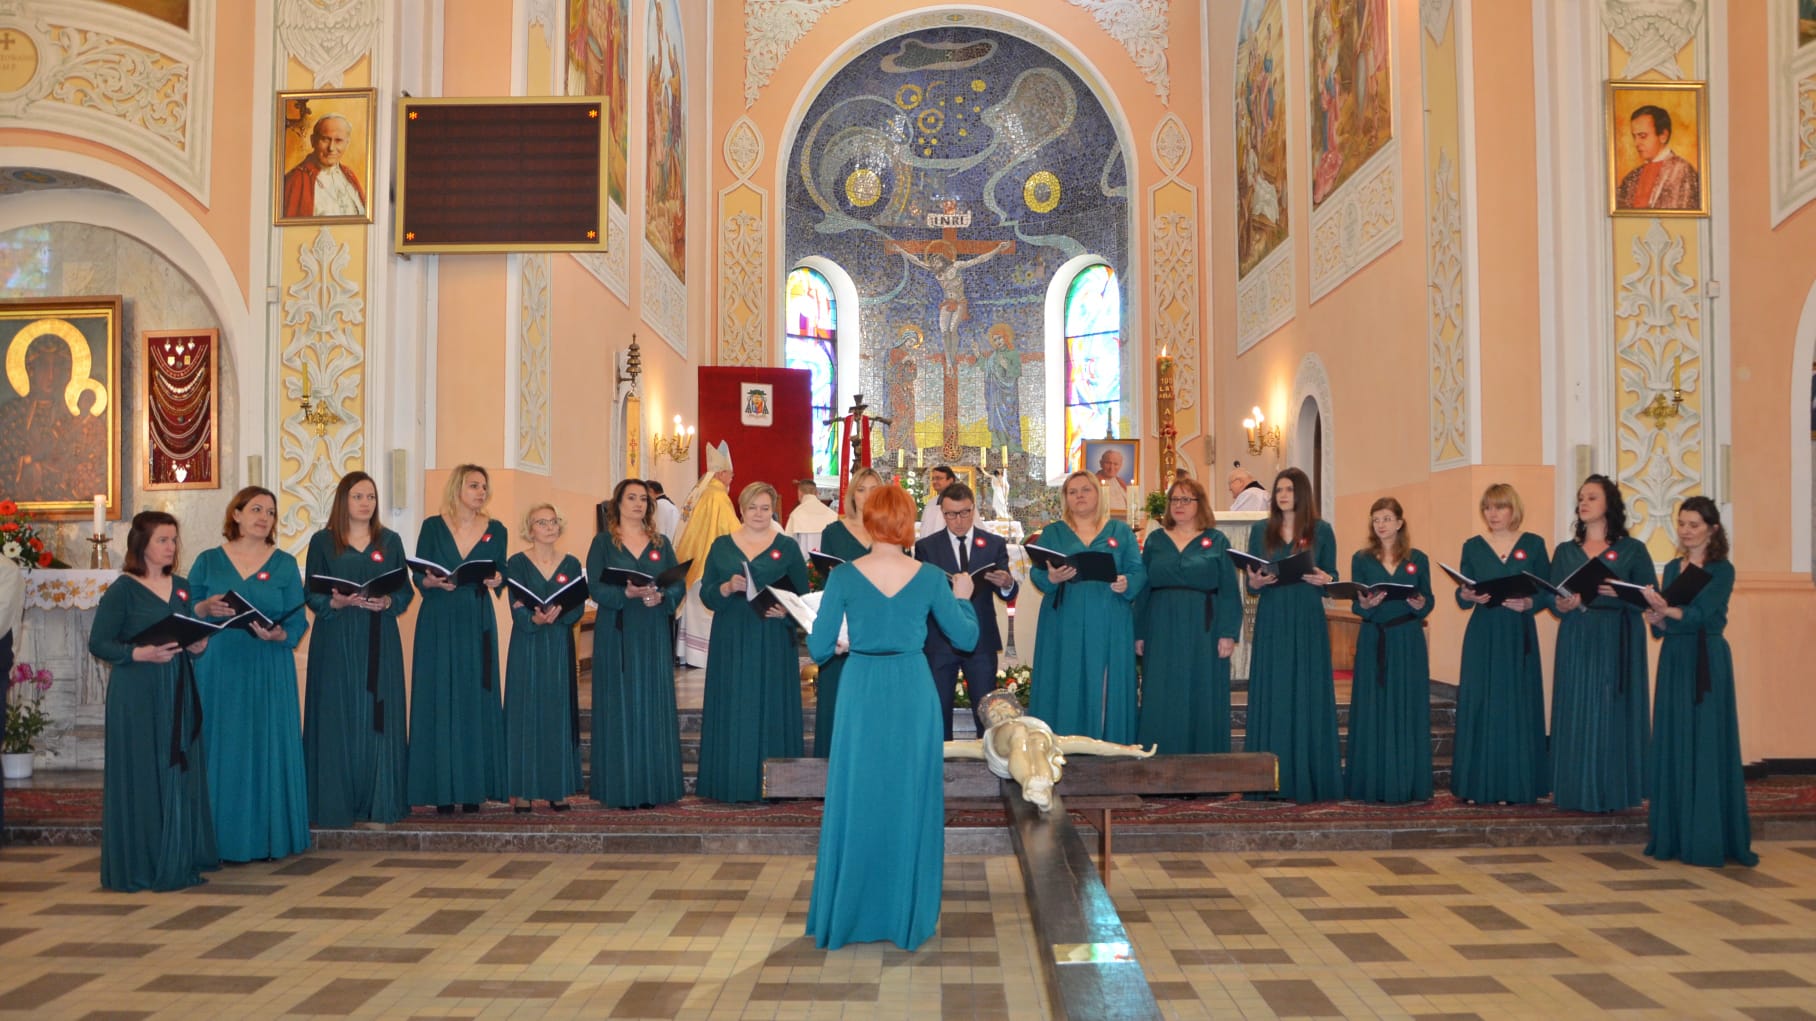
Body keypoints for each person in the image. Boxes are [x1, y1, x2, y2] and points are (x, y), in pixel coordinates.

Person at [805, 484, 978, 951]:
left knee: (858, 794)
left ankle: (851, 912)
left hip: (861, 688)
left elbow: (818, 648)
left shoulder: (843, 577)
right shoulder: (930, 577)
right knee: (910, 795)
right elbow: (965, 637)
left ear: (868, 521)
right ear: (907, 524)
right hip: (911, 688)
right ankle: (905, 914)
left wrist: (843, 640)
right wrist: (963, 596)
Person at [88, 511, 218, 891]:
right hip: (137, 692)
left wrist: (197, 645)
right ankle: (141, 864)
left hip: (177, 688)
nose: (171, 547)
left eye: (174, 540)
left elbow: (186, 635)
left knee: (176, 770)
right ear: (141, 544)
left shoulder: (182, 586)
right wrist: (137, 653)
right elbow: (99, 642)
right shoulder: (124, 590)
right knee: (143, 774)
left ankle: (176, 857)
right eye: (163, 539)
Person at [188, 487, 311, 861]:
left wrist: (280, 635)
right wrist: (205, 607)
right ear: (236, 514)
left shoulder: (285, 564)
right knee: (222, 747)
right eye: (256, 509)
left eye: (271, 512)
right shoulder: (208, 560)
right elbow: (186, 609)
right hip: (219, 666)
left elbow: (298, 621)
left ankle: (268, 838)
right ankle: (216, 840)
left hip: (268, 665)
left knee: (265, 748)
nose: (264, 517)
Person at [1642, 497, 1756, 868]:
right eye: (1682, 523)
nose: (1686, 531)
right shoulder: (1672, 568)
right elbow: (1668, 625)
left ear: (1713, 528)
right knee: (1673, 740)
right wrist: (1657, 619)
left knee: (1706, 742)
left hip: (1706, 658)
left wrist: (1667, 610)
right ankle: (1673, 836)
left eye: (1694, 524)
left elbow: (1705, 615)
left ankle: (1707, 837)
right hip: (1675, 658)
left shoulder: (1722, 570)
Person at [304, 471, 412, 827]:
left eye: (371, 497)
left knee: (378, 715)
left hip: (379, 635)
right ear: (343, 501)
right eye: (358, 496)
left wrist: (388, 602)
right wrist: (333, 603)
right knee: (337, 714)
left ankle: (380, 801)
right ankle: (335, 804)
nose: (366, 503)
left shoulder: (390, 541)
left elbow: (405, 591)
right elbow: (311, 591)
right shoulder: (323, 541)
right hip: (336, 636)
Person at [696, 482, 810, 802]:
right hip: (731, 636)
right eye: (752, 507)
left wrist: (785, 611)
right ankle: (730, 782)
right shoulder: (721, 546)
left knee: (772, 704)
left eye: (765, 508)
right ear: (741, 509)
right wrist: (725, 587)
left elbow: (803, 597)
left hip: (772, 635)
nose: (759, 514)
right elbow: (706, 593)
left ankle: (778, 785)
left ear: (773, 510)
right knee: (733, 704)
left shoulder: (786, 547)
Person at [1549, 475, 1656, 813]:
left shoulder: (1632, 550)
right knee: (1578, 709)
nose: (1583, 503)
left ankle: (1615, 790)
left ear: (1609, 503)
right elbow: (1552, 596)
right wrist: (1561, 604)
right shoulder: (1565, 551)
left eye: (1592, 497)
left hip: (1617, 635)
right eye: (1581, 498)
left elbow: (1651, 598)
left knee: (1611, 712)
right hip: (1577, 634)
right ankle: (1575, 790)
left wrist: (1621, 593)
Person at [407, 464, 508, 813]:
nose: (481, 492)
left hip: (476, 617)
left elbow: (501, 570)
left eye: (484, 486)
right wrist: (429, 582)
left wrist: (497, 580)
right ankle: (440, 789)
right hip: (438, 615)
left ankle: (472, 789)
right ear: (457, 488)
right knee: (438, 694)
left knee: (474, 695)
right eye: (474, 485)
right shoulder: (432, 527)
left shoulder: (496, 530)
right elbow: (419, 574)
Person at [1243, 467, 1341, 803]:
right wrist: (1255, 581)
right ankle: (1265, 778)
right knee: (1275, 688)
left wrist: (1325, 579)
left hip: (1306, 615)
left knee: (1306, 688)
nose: (1283, 495)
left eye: (1289, 489)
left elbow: (1333, 576)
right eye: (1279, 490)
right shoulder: (1261, 530)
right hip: (1273, 614)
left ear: (1302, 493)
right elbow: (1251, 581)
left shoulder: (1321, 530)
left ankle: (1309, 777)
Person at [587, 480, 686, 809]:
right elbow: (595, 587)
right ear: (617, 503)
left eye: (643, 499)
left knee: (652, 700)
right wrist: (624, 593)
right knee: (620, 702)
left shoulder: (661, 542)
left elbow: (677, 584)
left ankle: (654, 786)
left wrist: (663, 596)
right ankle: (622, 787)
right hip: (617, 630)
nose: (638, 504)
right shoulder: (603, 543)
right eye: (631, 498)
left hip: (652, 628)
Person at [1028, 470, 1146, 742]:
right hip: (1064, 618)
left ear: (1098, 495)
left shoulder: (1120, 531)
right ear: (1065, 498)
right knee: (1066, 677)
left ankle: (1106, 743)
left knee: (1104, 680)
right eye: (1072, 492)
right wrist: (1052, 577)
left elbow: (1138, 570)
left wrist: (1127, 582)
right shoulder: (1053, 533)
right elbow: (1037, 572)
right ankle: (1061, 743)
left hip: (1109, 616)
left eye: (1085, 490)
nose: (1079, 496)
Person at [1452, 483, 1551, 805]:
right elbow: (1462, 593)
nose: (1492, 514)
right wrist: (1466, 595)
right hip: (1483, 633)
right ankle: (1476, 785)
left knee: (1515, 704)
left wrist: (1530, 604)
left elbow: (1548, 591)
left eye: (1499, 507)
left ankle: (1515, 786)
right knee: (1481, 703)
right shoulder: (1473, 546)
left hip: (1518, 634)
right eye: (1487, 508)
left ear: (1513, 509)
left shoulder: (1533, 544)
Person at [1134, 476, 1240, 754]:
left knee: (1201, 689)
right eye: (1174, 499)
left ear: (1199, 504)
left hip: (1204, 627)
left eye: (1186, 499)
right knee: (1161, 689)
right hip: (1161, 625)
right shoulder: (1156, 540)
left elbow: (1229, 590)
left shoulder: (1217, 540)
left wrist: (1228, 633)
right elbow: (1143, 589)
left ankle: (1203, 762)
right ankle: (1159, 760)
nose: (1178, 505)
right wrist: (1139, 632)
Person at [1344, 498, 1435, 803]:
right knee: (1373, 707)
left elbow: (1429, 600)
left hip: (1408, 639)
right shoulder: (1362, 559)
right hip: (1374, 638)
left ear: (1399, 523)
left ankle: (1408, 782)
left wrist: (1421, 604)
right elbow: (1357, 603)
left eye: (1386, 518)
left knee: (1406, 706)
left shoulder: (1417, 559)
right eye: (1376, 520)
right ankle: (1372, 782)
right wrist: (1365, 604)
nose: (1380, 525)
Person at [914, 480, 1018, 740]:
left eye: (964, 513)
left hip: (981, 639)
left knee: (987, 712)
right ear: (942, 513)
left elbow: (1008, 591)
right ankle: (940, 762)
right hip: (940, 639)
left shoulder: (993, 543)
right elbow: (920, 594)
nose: (958, 521)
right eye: (950, 514)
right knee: (938, 712)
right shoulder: (927, 547)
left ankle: (989, 759)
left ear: (973, 509)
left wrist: (1006, 583)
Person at [944, 691, 1157, 812]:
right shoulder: (988, 740)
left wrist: (1126, 750)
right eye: (993, 713)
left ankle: (1043, 791)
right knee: (1018, 731)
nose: (1000, 712)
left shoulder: (1038, 729)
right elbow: (950, 748)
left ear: (1017, 709)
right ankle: (1030, 783)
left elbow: (1088, 744)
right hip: (1005, 750)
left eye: (1004, 707)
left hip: (1037, 748)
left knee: (1037, 740)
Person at [503, 503, 585, 813]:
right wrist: (534, 619)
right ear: (530, 529)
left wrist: (562, 613)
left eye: (553, 521)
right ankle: (523, 790)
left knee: (557, 712)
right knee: (525, 711)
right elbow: (516, 604)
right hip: (528, 644)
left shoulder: (572, 563)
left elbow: (578, 605)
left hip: (559, 642)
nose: (550, 527)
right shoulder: (517, 563)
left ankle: (557, 787)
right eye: (542, 522)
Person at [811, 467, 880, 757]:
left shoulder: (889, 530)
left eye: (874, 489)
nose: (867, 496)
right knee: (837, 696)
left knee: (874, 700)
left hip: (879, 624)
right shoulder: (834, 532)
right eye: (861, 490)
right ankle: (832, 763)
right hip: (843, 624)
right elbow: (827, 579)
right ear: (852, 495)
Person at [675, 441, 737, 668]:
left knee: (694, 612)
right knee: (704, 615)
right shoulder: (718, 496)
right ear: (720, 473)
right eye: (730, 474)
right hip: (708, 566)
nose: (732, 479)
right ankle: (702, 657)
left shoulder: (699, 492)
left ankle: (689, 655)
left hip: (692, 561)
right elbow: (731, 531)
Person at [1615, 104, 1701, 211]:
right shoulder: (1632, 176)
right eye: (1634, 137)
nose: (1636, 143)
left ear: (1663, 136)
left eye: (1643, 136)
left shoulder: (1682, 170)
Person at [282, 112, 367, 218]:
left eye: (338, 140)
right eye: (325, 139)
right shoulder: (296, 180)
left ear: (347, 143)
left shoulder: (349, 175)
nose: (331, 148)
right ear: (313, 141)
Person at [784, 478, 838, 555]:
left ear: (800, 494)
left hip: (804, 558)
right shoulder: (832, 514)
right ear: (816, 493)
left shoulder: (796, 514)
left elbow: (788, 542)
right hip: (826, 558)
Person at [916, 465, 954, 539]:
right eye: (933, 479)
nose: (934, 481)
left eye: (939, 478)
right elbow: (924, 527)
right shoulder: (931, 502)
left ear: (950, 480)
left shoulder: (960, 501)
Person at [1093, 447, 1130, 513]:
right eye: (1108, 463)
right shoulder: (1093, 482)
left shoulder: (1121, 483)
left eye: (1116, 464)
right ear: (1101, 463)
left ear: (1120, 465)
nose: (1111, 468)